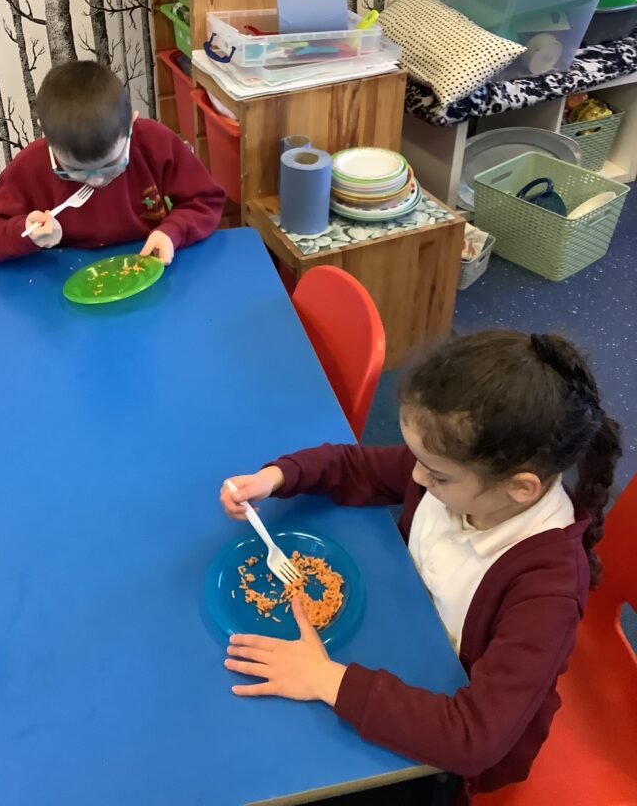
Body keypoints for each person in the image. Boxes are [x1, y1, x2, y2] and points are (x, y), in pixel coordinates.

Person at [219, 330, 621, 805]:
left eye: (436, 474)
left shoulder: (548, 587)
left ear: (521, 489)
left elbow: (473, 738)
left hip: (445, 746)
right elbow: (359, 467)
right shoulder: (455, 471)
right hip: (406, 641)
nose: (414, 477)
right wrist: (279, 476)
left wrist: (326, 680)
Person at [0, 61, 225, 263]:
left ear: (131, 123)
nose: (96, 180)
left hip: (149, 265)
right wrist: (25, 232)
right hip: (66, 284)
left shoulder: (154, 143)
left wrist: (172, 231)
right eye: (74, 171)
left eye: (112, 164)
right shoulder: (32, 165)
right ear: (47, 137)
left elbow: (205, 200)